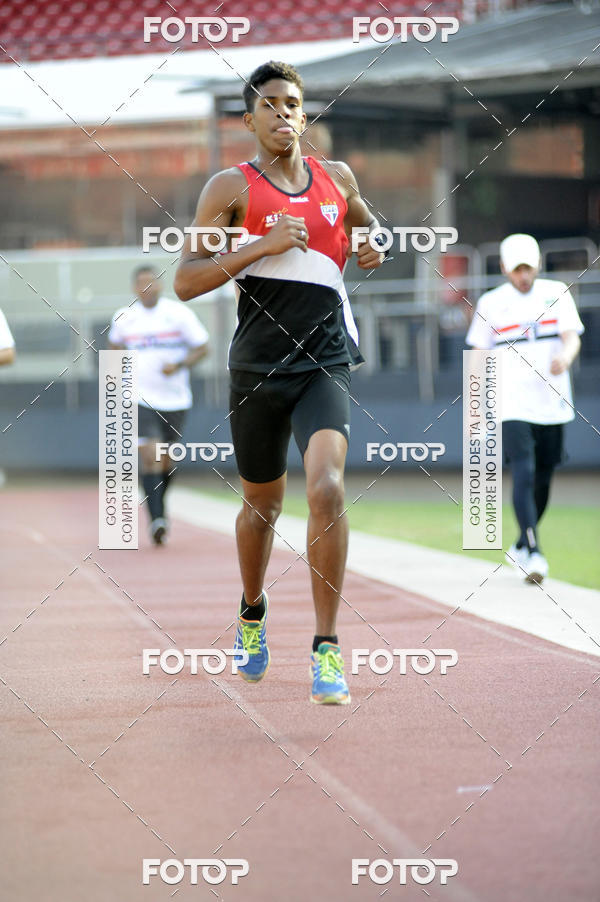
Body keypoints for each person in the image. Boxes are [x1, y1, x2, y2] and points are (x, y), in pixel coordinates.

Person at [173, 61, 385, 704]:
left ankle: (326, 649)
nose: (284, 113)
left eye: (293, 103)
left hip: (323, 363)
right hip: (257, 370)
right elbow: (185, 280)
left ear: (304, 113)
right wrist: (257, 248)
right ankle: (252, 610)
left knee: (326, 487)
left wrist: (372, 247)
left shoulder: (336, 177)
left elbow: (365, 227)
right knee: (261, 506)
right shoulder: (228, 188)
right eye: (270, 104)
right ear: (250, 119)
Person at [466, 233, 584, 584]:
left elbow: (572, 336)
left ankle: (520, 542)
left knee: (544, 476)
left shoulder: (556, 293)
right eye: (516, 269)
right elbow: (477, 353)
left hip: (551, 401)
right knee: (524, 471)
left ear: (537, 266)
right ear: (504, 268)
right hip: (511, 402)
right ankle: (534, 551)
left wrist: (566, 355)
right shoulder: (491, 303)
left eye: (528, 268)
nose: (523, 275)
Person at [109, 265, 210, 545]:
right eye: (140, 283)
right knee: (150, 452)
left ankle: (156, 501)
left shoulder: (179, 314)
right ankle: (157, 519)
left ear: (159, 285)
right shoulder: (123, 317)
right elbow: (114, 347)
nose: (146, 287)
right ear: (134, 288)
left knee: (167, 458)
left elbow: (203, 347)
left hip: (176, 398)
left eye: (150, 282)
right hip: (139, 397)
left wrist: (179, 364)